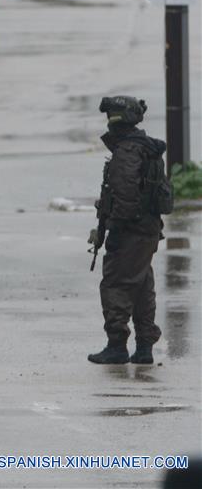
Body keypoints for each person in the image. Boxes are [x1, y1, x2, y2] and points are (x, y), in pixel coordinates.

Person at [88, 96, 168, 365]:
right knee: (142, 287)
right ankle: (144, 347)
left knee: (117, 284)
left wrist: (117, 229)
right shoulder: (145, 148)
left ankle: (117, 345)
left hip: (131, 231)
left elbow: (125, 195)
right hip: (147, 230)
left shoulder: (128, 151)